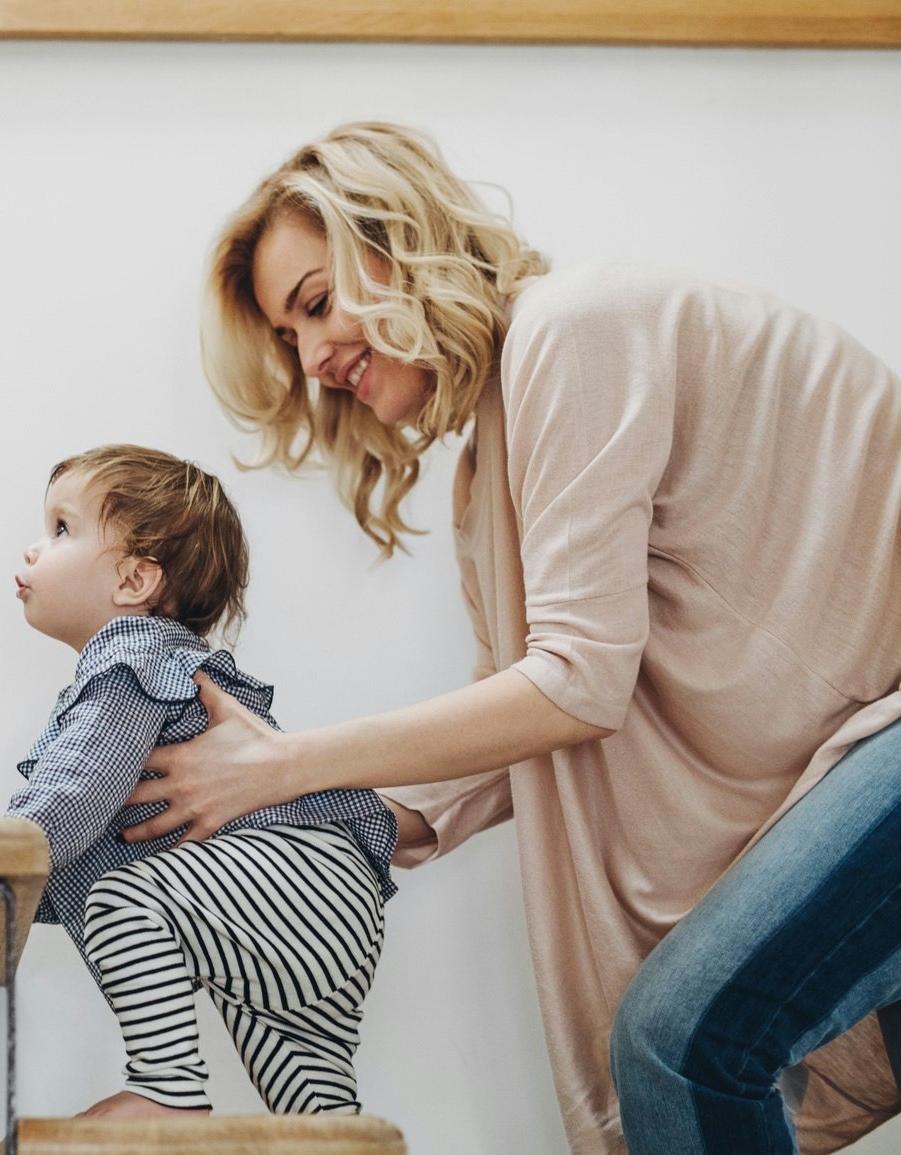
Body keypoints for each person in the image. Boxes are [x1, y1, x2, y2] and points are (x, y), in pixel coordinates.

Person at [116, 122, 901, 1154]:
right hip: (865, 752)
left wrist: (280, 765)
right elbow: (519, 722)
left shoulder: (573, 331)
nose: (311, 358)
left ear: (397, 239)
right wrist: (302, 819)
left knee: (679, 1045)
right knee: (686, 1045)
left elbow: (576, 685)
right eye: (287, 338)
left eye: (313, 305)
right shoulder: (489, 459)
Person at [4, 443, 399, 1119]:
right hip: (327, 903)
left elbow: (74, 795)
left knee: (117, 898)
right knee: (319, 1117)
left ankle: (165, 1087)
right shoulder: (155, 664)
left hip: (294, 875)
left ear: (133, 581)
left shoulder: (128, 658)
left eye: (62, 528)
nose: (35, 549)